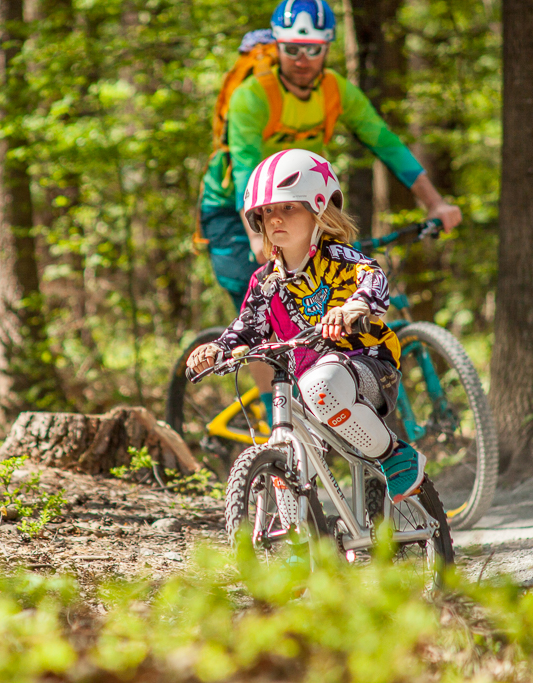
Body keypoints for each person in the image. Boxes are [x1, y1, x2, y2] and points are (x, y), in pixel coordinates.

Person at [198, 0, 461, 422]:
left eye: (313, 49)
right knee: (266, 311)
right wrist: (257, 236)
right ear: (277, 47)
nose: (302, 59)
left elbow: (384, 141)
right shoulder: (254, 95)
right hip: (237, 208)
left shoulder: (336, 90)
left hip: (299, 199)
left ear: (327, 48)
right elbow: (246, 166)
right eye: (292, 49)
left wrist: (435, 202)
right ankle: (278, 429)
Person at [188, 149, 426, 503]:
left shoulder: (340, 258)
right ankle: (298, 535)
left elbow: (372, 278)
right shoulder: (266, 281)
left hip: (369, 369)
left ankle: (394, 453)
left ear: (319, 209)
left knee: (320, 384)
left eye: (288, 207)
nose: (275, 219)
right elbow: (247, 326)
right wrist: (217, 349)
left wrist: (354, 307)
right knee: (289, 453)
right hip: (309, 384)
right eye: (267, 211)